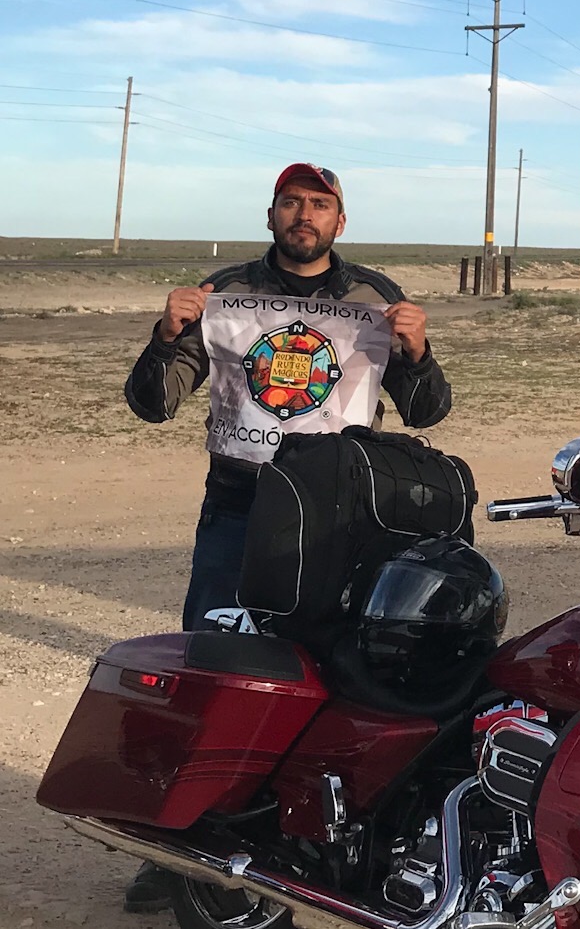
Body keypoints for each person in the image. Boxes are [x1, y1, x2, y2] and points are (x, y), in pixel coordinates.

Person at [118, 162, 452, 913]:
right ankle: (176, 843)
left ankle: (308, 834)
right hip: (240, 510)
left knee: (328, 673)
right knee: (212, 669)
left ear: (340, 221)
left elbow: (427, 412)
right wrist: (165, 332)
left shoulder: (375, 299)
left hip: (341, 522)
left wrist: (417, 352)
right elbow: (153, 404)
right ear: (271, 213)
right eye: (292, 202)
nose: (305, 214)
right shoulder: (223, 293)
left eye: (320, 204)